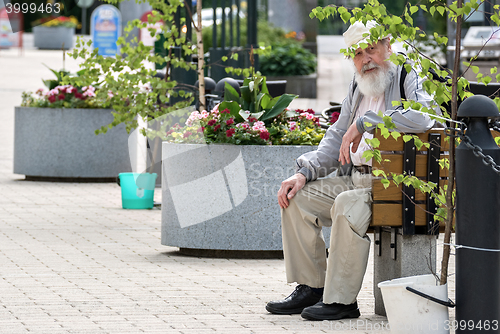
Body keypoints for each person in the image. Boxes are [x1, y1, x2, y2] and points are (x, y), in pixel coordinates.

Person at [265, 20, 438, 321]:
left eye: (371, 49)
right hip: (357, 179)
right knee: (297, 197)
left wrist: (366, 122)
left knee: (346, 204)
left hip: (393, 185)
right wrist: (303, 172)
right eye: (357, 54)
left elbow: (425, 117)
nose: (365, 59)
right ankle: (313, 287)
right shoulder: (358, 86)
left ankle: (342, 301)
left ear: (388, 47)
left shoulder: (408, 73)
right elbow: (336, 137)